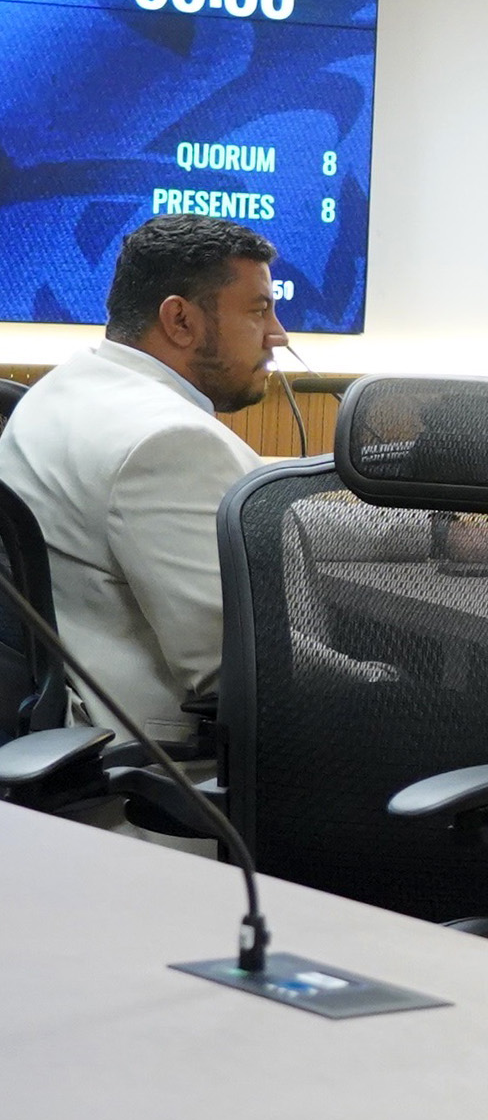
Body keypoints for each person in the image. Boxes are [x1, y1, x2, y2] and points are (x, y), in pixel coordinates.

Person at [0, 215, 285, 756]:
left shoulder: (66, 386)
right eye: (258, 310)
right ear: (180, 320)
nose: (278, 334)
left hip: (57, 728)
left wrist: (424, 536)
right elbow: (244, 667)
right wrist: (383, 672)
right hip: (162, 763)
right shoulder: (168, 442)